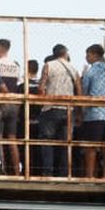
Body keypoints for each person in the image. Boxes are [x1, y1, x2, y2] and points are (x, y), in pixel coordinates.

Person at [35, 44, 80, 178]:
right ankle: (64, 173)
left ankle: (48, 172)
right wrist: (79, 110)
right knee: (66, 143)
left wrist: (42, 101)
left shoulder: (48, 65)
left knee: (47, 141)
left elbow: (41, 87)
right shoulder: (73, 68)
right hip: (68, 109)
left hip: (51, 108)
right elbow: (79, 89)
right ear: (66, 53)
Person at [0, 38, 24, 176]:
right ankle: (17, 171)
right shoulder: (16, 67)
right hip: (14, 103)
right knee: (12, 138)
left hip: (0, 104)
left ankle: (3, 169)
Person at [79, 43, 105, 179]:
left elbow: (85, 91)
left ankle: (90, 175)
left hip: (93, 113)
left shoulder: (90, 72)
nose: (86, 57)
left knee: (91, 147)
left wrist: (81, 110)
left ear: (94, 54)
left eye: (88, 54)